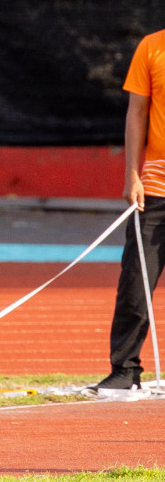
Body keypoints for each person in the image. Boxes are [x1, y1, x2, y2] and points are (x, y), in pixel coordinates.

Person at [95, 28, 165, 391]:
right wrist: (131, 175)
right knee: (135, 284)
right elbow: (136, 112)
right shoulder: (152, 47)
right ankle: (124, 371)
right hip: (155, 190)